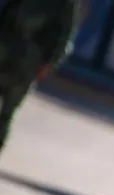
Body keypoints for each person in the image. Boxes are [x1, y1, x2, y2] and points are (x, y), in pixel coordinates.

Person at [0, 0, 81, 153]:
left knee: (7, 112)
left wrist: (50, 62)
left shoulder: (65, 4)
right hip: (7, 47)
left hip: (27, 60)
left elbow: (65, 32)